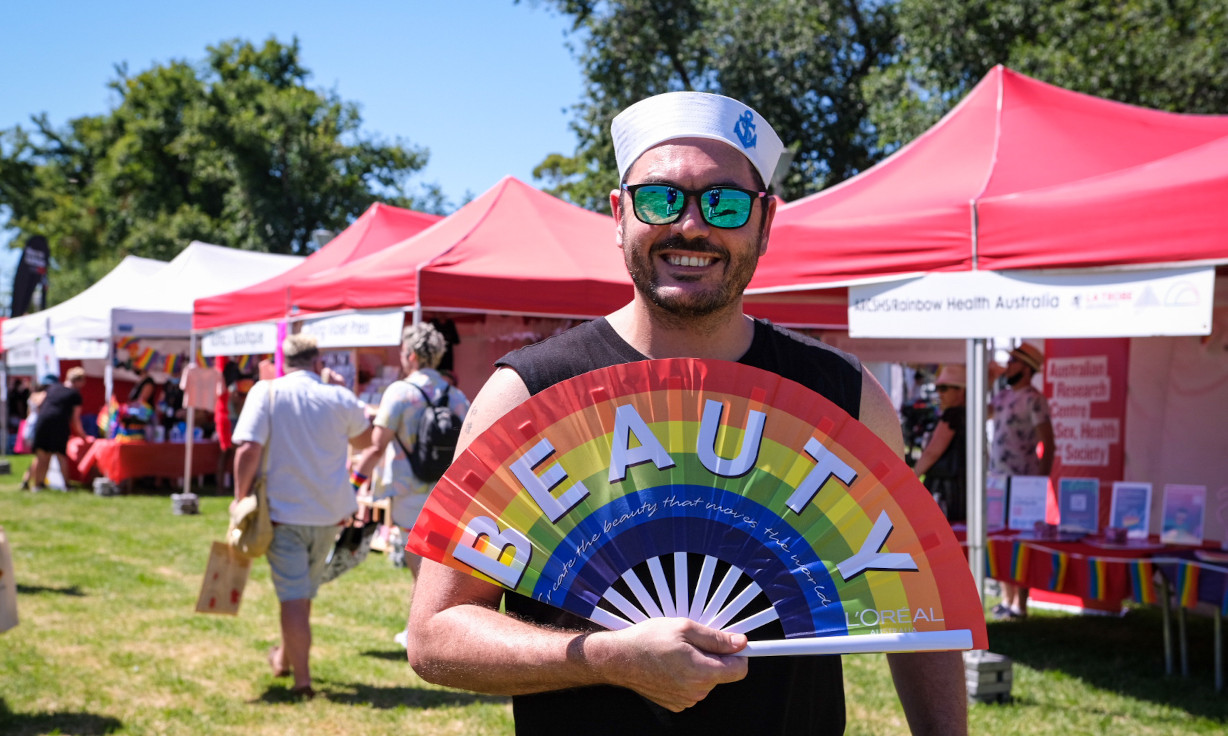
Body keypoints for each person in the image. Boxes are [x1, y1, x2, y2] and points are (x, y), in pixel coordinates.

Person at [405, 92, 967, 735]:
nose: (692, 226)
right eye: (660, 199)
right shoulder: (525, 395)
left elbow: (920, 611)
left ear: (765, 221)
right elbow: (435, 635)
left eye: (724, 203)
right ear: (619, 214)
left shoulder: (845, 397)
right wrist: (607, 659)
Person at [230, 334, 372, 699]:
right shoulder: (338, 396)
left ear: (284, 360)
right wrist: (343, 391)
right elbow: (363, 442)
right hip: (328, 514)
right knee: (302, 595)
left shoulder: (268, 392)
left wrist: (239, 498)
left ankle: (302, 682)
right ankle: (283, 660)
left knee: (294, 598)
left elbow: (247, 448)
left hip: (284, 514)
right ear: (317, 360)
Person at [350, 323, 470, 645]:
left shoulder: (399, 393)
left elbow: (376, 445)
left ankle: (421, 632)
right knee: (434, 562)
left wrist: (354, 483)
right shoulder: (456, 395)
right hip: (445, 489)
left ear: (412, 355)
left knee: (418, 563)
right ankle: (430, 628)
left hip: (408, 489)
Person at [989, 342, 1054, 620]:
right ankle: (1006, 598)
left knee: (1022, 540)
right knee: (1002, 537)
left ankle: (1021, 604)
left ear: (1027, 368)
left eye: (1014, 361)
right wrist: (987, 379)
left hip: (1024, 481)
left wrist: (1039, 484)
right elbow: (978, 412)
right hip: (997, 481)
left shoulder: (1034, 399)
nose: (1008, 366)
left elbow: (1048, 443)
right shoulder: (1002, 396)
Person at [912, 364, 967, 524]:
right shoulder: (969, 415)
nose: (939, 394)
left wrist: (910, 478)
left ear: (961, 391)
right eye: (938, 388)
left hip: (946, 491)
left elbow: (932, 452)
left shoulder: (953, 415)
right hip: (962, 490)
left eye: (944, 388)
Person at [30, 368, 88, 491]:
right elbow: (75, 418)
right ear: (79, 381)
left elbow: (38, 403)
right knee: (61, 455)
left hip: (43, 421)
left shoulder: (53, 388)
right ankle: (66, 485)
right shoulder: (74, 394)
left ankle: (38, 485)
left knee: (42, 454)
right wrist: (83, 435)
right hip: (59, 424)